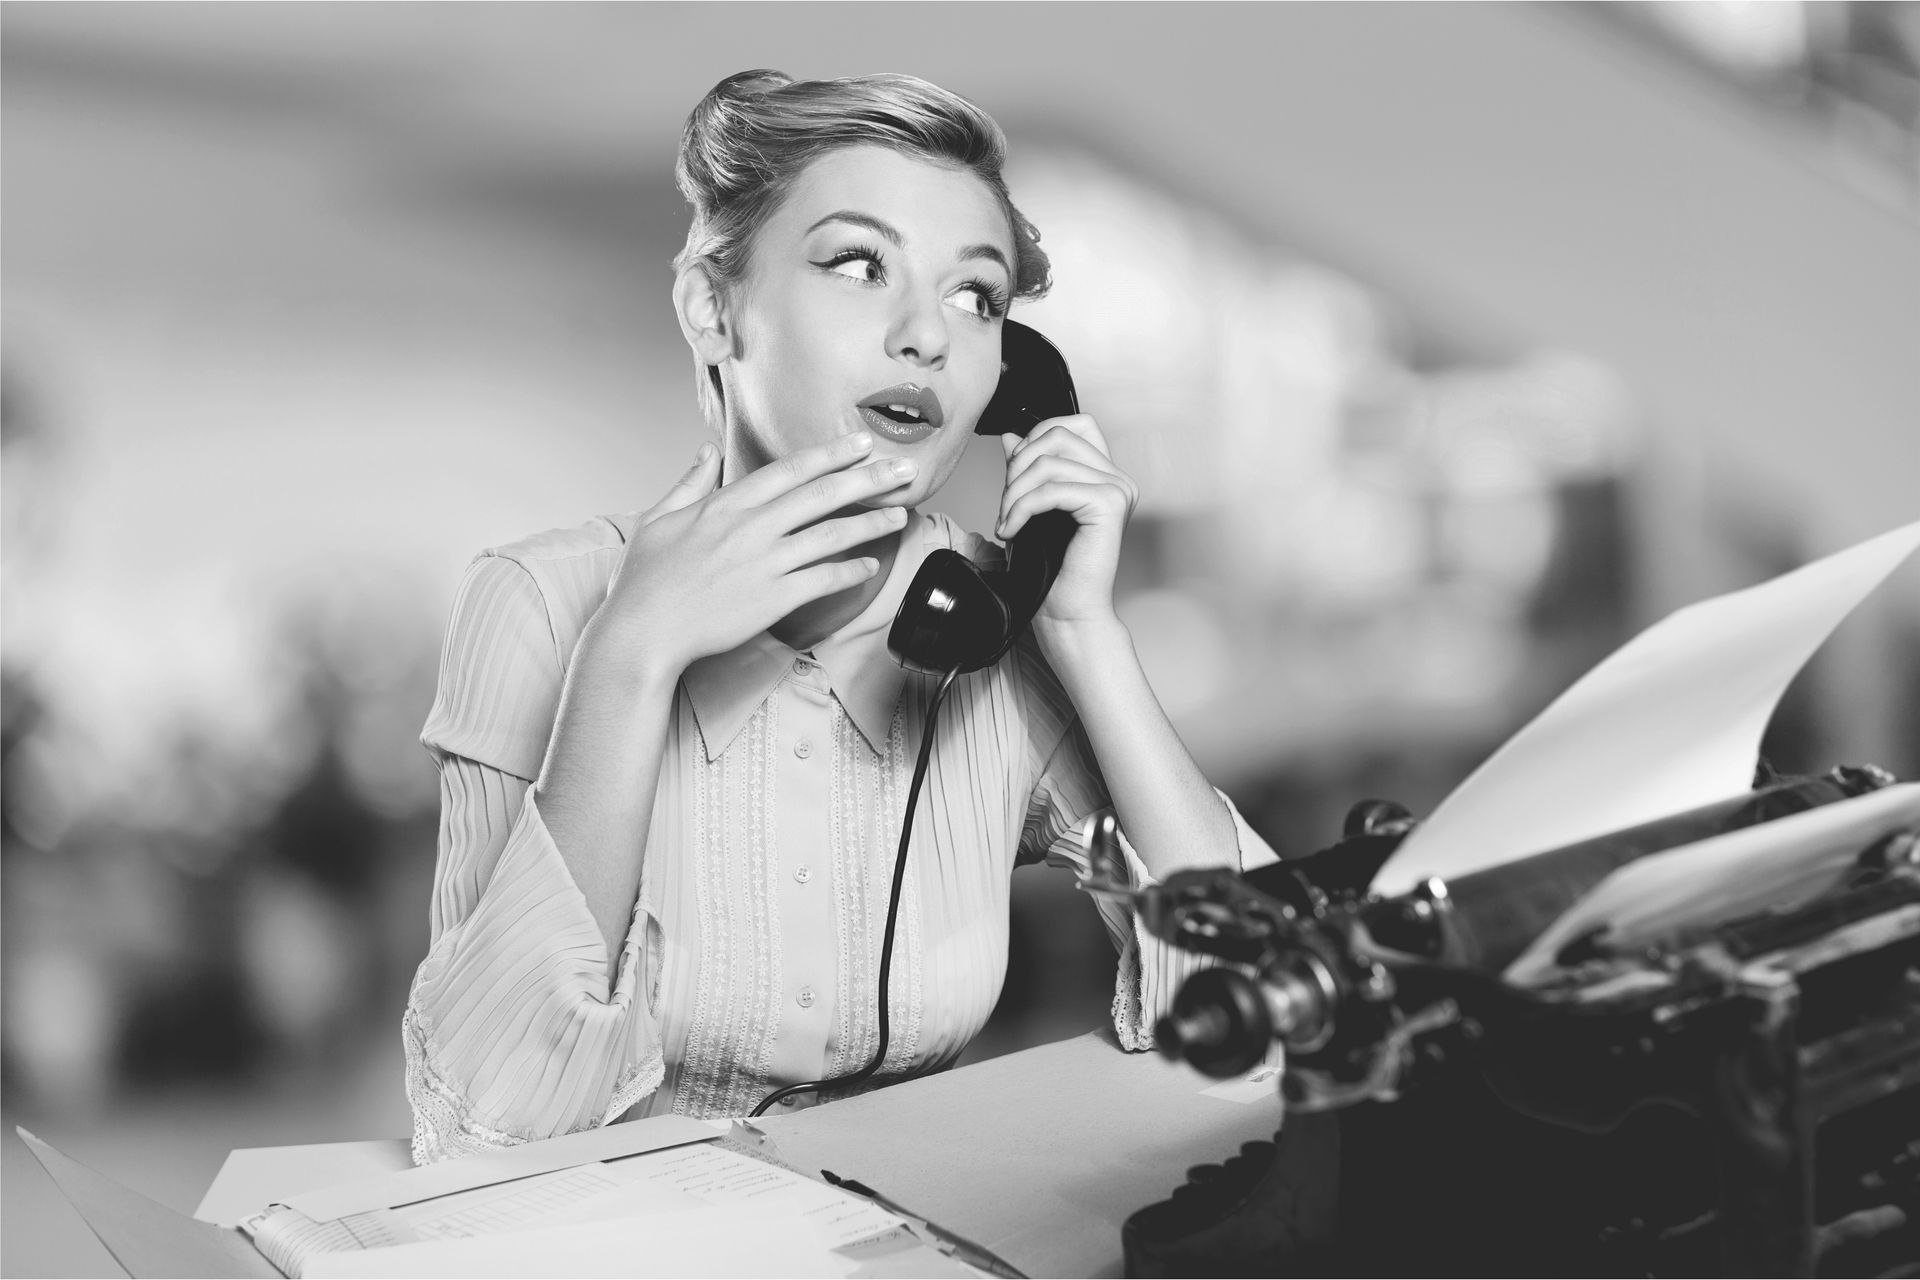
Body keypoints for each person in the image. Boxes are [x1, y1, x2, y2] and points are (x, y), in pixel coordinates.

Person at [405, 69, 1279, 1165]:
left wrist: (1088, 636)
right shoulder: (539, 601)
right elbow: (478, 1123)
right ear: (713, 308)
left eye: (978, 297)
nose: (929, 336)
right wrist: (628, 659)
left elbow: (1263, 1010)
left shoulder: (994, 620)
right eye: (859, 264)